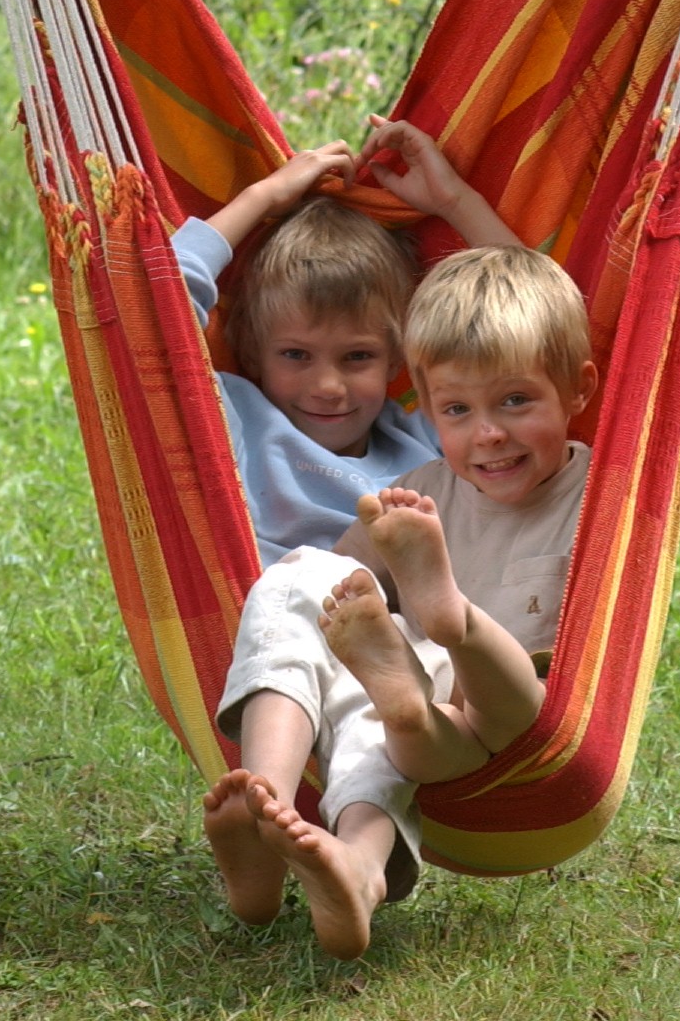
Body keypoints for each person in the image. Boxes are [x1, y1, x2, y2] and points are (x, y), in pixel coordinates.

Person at [203, 244, 597, 959]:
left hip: (510, 717)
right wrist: (344, 609)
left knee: (402, 691)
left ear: (578, 389)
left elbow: (584, 298)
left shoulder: (607, 497)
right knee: (302, 582)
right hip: (418, 716)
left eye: (516, 400)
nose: (488, 433)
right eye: (456, 408)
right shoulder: (424, 488)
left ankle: (456, 622)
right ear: (427, 407)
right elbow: (335, 595)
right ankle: (296, 826)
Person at [173, 118, 521, 564]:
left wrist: (455, 201)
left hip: (422, 625)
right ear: (251, 350)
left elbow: (536, 325)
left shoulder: (433, 442)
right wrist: (263, 196)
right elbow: (150, 308)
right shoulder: (238, 421)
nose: (328, 386)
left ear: (399, 358)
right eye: (296, 355)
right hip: (282, 618)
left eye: (358, 357)